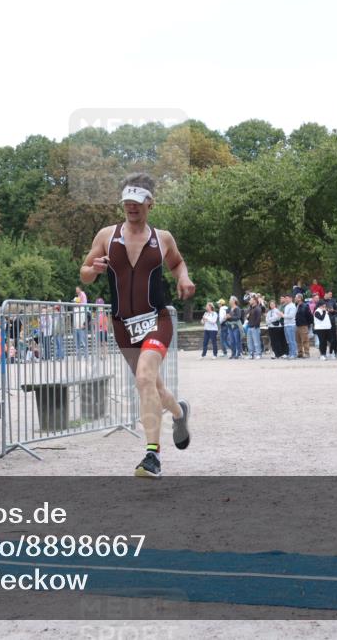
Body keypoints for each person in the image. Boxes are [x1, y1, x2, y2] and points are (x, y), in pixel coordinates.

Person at [80, 172, 194, 478]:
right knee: (153, 386)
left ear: (150, 204)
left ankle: (152, 456)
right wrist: (94, 268)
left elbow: (178, 263)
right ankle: (180, 412)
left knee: (144, 378)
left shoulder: (163, 238)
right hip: (122, 325)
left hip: (156, 319)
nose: (132, 208)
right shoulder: (106, 235)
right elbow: (84, 273)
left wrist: (183, 277)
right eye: (127, 202)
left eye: (138, 203)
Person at [294, 293, 313, 358]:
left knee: (305, 340)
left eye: (296, 297)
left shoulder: (305, 306)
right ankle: (300, 353)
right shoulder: (296, 305)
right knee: (298, 340)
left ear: (300, 298)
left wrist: (308, 324)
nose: (295, 299)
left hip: (303, 325)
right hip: (297, 325)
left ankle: (307, 353)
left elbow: (309, 316)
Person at [282, 295, 298, 359]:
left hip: (291, 325)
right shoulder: (286, 306)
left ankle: (294, 354)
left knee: (292, 340)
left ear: (291, 298)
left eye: (287, 298)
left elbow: (291, 316)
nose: (286, 299)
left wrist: (283, 315)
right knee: (288, 341)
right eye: (285, 298)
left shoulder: (292, 306)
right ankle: (291, 353)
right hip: (286, 325)